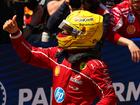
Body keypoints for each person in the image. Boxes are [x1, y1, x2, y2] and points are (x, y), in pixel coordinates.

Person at [3, 10, 117, 105]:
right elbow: (30, 54)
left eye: (68, 30)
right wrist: (15, 34)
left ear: (85, 35)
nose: (63, 32)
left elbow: (109, 97)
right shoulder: (58, 54)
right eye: (64, 28)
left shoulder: (94, 66)